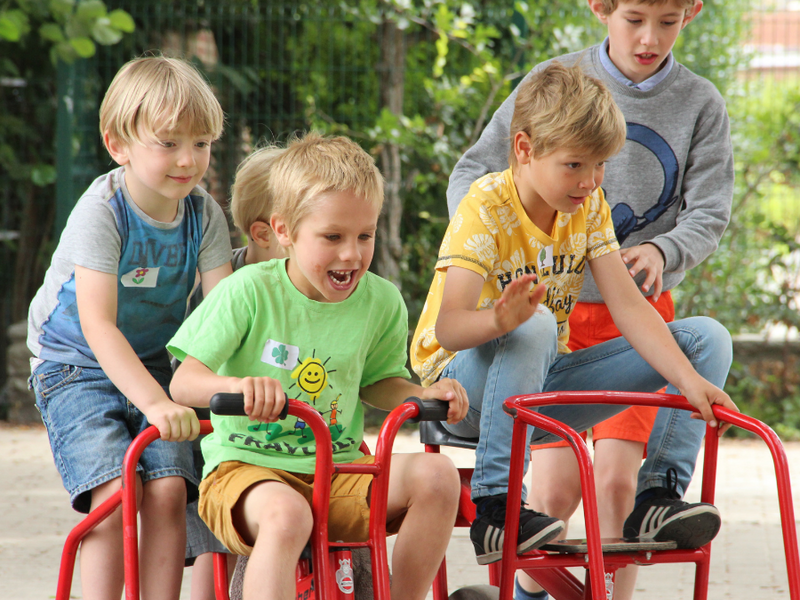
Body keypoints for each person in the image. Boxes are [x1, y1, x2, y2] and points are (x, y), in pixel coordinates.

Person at [444, 1, 733, 597]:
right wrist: (496, 243)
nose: (649, 37)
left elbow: (704, 217)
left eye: (668, 20)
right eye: (634, 19)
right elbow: (472, 174)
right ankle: (506, 533)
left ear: (691, 13)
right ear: (601, 8)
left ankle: (659, 498)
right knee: (553, 492)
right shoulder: (552, 88)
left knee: (618, 488)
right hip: (539, 316)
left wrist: (664, 252)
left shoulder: (696, 105)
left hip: (629, 313)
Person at [167, 132, 469, 600]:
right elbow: (184, 383)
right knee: (289, 516)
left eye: (364, 235)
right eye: (332, 237)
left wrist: (421, 395)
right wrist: (240, 387)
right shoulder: (248, 291)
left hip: (340, 470)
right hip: (247, 470)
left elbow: (379, 382)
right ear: (284, 231)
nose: (351, 254)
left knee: (439, 477)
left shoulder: (381, 301)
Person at [26, 56, 233, 600]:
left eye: (202, 143)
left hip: (152, 363)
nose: (189, 160)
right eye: (168, 143)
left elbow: (224, 313)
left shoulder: (204, 214)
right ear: (118, 144)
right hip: (73, 363)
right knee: (117, 490)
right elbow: (97, 325)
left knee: (168, 488)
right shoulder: (103, 211)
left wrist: (227, 385)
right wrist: (158, 402)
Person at [183, 146, 287, 600]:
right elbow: (188, 372)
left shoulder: (318, 287)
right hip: (219, 428)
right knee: (213, 527)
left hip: (287, 431)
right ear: (268, 232)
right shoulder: (225, 286)